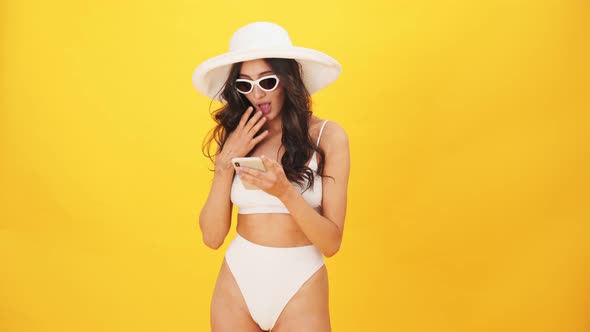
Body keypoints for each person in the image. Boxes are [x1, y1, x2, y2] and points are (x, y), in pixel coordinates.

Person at [192, 21, 350, 332]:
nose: (256, 94)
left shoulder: (327, 137)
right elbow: (212, 238)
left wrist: (285, 192)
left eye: (267, 81)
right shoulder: (237, 137)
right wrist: (225, 163)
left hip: (300, 284)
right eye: (245, 84)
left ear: (288, 80)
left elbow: (331, 243)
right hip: (238, 280)